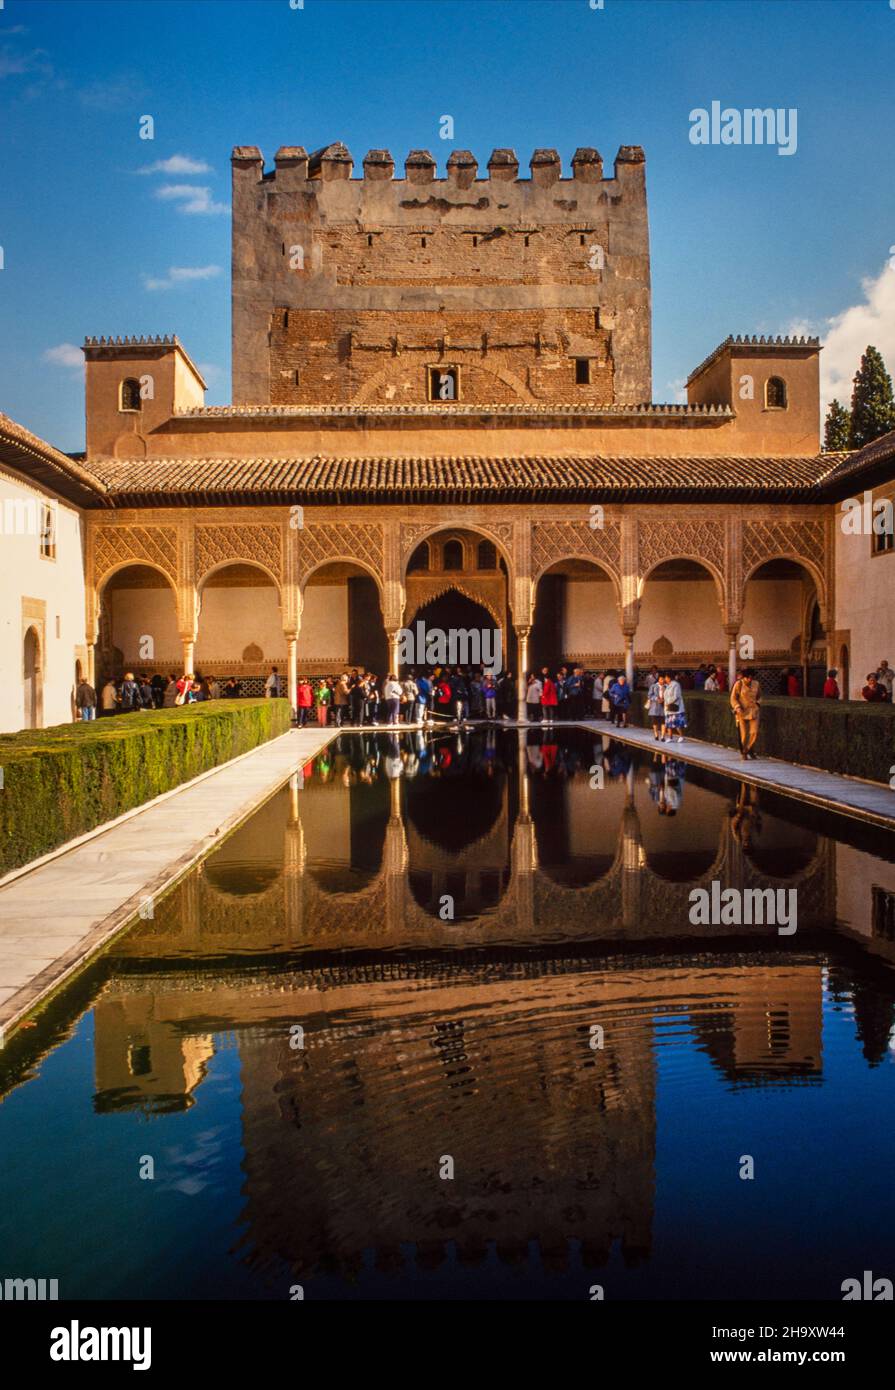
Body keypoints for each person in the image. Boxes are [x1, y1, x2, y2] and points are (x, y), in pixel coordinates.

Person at [730, 668, 761, 759]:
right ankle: (744, 752)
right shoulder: (738, 684)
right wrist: (737, 707)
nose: (749, 680)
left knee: (754, 732)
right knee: (743, 735)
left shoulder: (756, 684)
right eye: (748, 678)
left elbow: (760, 696)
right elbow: (733, 698)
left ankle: (747, 749)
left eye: (751, 678)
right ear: (744, 677)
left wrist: (758, 704)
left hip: (754, 711)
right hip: (741, 712)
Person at [662, 670, 686, 743]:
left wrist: (668, 702)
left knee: (677, 723)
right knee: (669, 723)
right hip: (668, 707)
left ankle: (681, 736)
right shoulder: (667, 685)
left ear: (669, 678)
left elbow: (676, 696)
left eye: (665, 677)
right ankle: (670, 737)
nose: (665, 679)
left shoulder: (676, 684)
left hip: (675, 706)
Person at [645, 672, 664, 739]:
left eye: (663, 679)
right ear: (658, 679)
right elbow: (649, 695)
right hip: (655, 706)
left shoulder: (666, 686)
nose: (663, 680)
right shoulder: (653, 686)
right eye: (661, 679)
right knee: (655, 721)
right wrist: (656, 698)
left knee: (663, 722)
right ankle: (656, 734)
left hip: (663, 706)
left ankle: (662, 736)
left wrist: (664, 699)